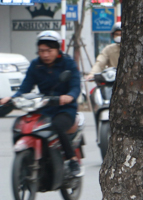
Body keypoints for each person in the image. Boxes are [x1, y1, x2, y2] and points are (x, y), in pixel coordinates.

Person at [0, 31, 82, 176]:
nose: (45, 55)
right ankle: (27, 157)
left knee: (57, 125)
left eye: (49, 51)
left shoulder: (67, 63)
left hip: (64, 109)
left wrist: (69, 96)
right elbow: (25, 87)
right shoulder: (35, 65)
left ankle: (72, 160)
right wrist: (11, 98)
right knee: (21, 125)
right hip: (43, 107)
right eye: (41, 51)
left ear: (57, 50)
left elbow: (76, 86)